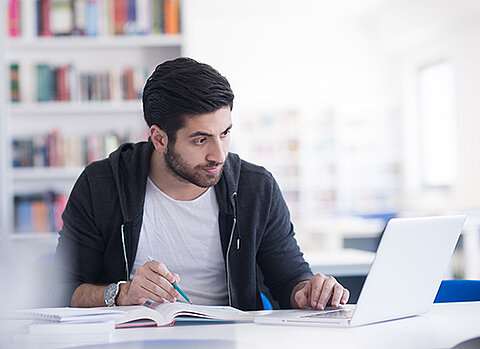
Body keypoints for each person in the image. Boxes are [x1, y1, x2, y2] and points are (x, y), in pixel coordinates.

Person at [48, 57, 349, 311]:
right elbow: (62, 290)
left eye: (225, 133)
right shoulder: (102, 185)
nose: (218, 155)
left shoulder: (255, 188)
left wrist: (309, 292)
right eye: (201, 139)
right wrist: (122, 294)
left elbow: (289, 279)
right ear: (159, 138)